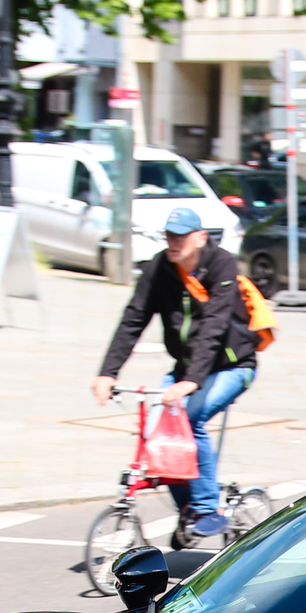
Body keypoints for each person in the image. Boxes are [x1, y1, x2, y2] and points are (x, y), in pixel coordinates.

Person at [92, 205, 259, 539]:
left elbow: (214, 326)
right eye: (169, 235)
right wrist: (108, 372)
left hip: (233, 366)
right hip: (187, 369)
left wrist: (190, 381)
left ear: (200, 237)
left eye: (180, 236)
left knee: (189, 418)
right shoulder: (159, 268)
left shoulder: (222, 264)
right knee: (157, 433)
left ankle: (207, 506)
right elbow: (133, 319)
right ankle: (188, 508)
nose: (173, 242)